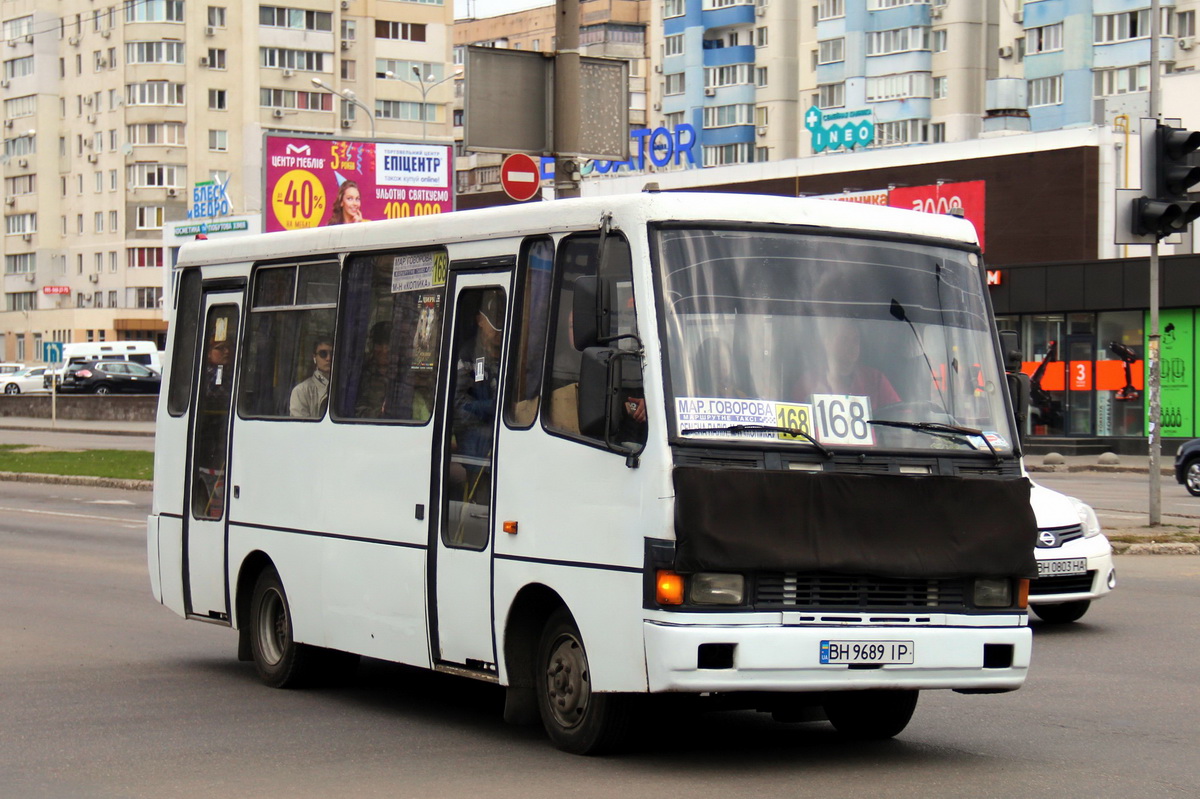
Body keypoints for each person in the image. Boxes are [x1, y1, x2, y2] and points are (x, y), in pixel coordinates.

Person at [794, 318, 900, 408]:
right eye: (844, 340)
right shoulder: (808, 383)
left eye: (855, 340)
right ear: (828, 343)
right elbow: (794, 425)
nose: (851, 346)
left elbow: (899, 415)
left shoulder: (875, 380)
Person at [355, 322, 392, 418]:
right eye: (379, 344)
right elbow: (355, 411)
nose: (384, 350)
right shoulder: (361, 374)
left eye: (388, 344)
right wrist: (380, 414)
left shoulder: (402, 374)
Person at [290, 337, 333, 418]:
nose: (328, 358)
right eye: (323, 354)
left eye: (332, 354)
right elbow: (300, 426)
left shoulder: (344, 390)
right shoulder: (301, 391)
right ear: (314, 357)